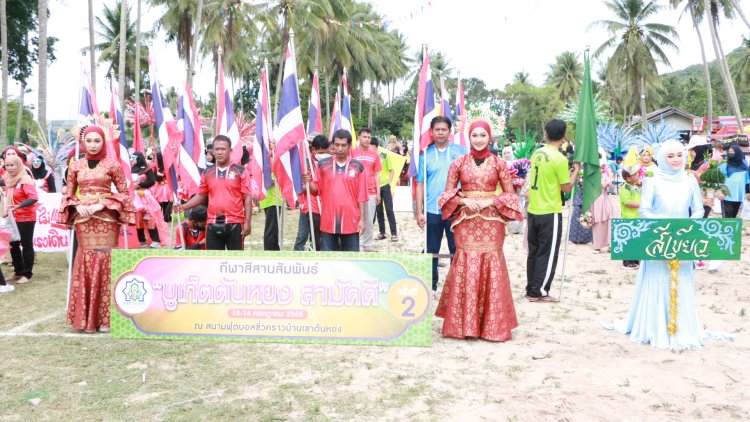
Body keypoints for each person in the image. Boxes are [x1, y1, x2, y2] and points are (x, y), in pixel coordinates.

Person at [605, 140, 707, 350]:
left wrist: (687, 226)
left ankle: (682, 329)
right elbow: (644, 210)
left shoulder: (690, 181)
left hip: (683, 239)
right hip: (656, 239)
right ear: (661, 158)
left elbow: (698, 209)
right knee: (658, 278)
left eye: (680, 155)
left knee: (681, 279)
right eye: (670, 156)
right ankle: (654, 328)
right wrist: (661, 227)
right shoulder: (652, 181)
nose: (676, 159)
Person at [434, 119, 523, 341]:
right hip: (466, 222)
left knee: (491, 261)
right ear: (469, 137)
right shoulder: (458, 163)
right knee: (466, 261)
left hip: (492, 222)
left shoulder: (499, 163)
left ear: (489, 137)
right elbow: (446, 195)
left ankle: (491, 327)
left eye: (483, 135)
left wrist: (490, 202)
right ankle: (462, 326)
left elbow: (511, 196)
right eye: (475, 135)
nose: (479, 139)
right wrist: (464, 202)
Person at [58, 125, 135, 332]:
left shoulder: (113, 165)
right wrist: (78, 205)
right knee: (86, 261)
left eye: (97, 141)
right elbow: (68, 194)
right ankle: (87, 319)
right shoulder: (75, 166)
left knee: (105, 261)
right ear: (83, 142)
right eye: (89, 141)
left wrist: (102, 204)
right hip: (84, 220)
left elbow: (124, 193)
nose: (92, 145)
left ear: (103, 142)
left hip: (106, 219)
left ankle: (106, 318)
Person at [526, 119, 580, 303]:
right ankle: (539, 291)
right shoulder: (560, 158)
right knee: (547, 253)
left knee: (534, 251)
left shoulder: (537, 153)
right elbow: (566, 188)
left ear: (546, 134)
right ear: (564, 135)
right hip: (550, 210)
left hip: (533, 209)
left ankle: (531, 287)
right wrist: (576, 171)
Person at [416, 116, 468, 294]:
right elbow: (420, 183)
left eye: (443, 129)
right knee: (431, 249)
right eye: (436, 129)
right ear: (431, 132)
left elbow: (468, 180)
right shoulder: (426, 154)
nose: (440, 132)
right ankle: (431, 285)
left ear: (449, 131)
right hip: (432, 210)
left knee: (457, 248)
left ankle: (456, 286)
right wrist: (419, 211)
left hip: (455, 210)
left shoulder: (460, 152)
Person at [175, 135, 252, 250]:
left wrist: (247, 222)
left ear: (230, 151)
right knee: (213, 261)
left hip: (235, 223)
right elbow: (201, 196)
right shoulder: (207, 173)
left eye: (223, 149)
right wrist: (183, 206)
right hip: (211, 224)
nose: (219, 152)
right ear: (213, 151)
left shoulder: (240, 171)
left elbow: (247, 198)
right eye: (217, 149)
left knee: (234, 261)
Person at [304, 129, 367, 252]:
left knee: (351, 261)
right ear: (333, 144)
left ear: (349, 146)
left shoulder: (358, 167)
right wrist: (308, 182)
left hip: (351, 221)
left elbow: (362, 196)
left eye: (343, 145)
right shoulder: (323, 165)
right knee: (328, 261)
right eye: (337, 145)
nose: (340, 148)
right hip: (328, 222)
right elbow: (315, 190)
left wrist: (362, 220)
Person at [1, 155, 38, 285]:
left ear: (18, 165)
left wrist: (19, 205)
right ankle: (18, 272)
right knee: (13, 244)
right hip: (13, 217)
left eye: (12, 165)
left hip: (26, 217)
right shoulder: (8, 178)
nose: (9, 168)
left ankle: (27, 274)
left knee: (26, 245)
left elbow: (33, 197)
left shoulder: (25, 179)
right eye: (7, 165)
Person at [294, 135, 328, 251]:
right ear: (313, 150)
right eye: (321, 152)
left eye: (325, 152)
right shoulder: (305, 163)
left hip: (324, 207)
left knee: (318, 239)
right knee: (302, 237)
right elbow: (299, 185)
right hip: (308, 206)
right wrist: (310, 187)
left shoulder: (328, 163)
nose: (323, 155)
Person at [350, 128, 381, 252]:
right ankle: (355, 244)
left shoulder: (374, 155)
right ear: (358, 137)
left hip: (370, 192)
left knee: (368, 220)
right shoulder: (352, 153)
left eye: (369, 137)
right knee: (355, 218)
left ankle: (367, 245)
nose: (367, 139)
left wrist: (378, 193)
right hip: (354, 192)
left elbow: (377, 174)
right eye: (364, 137)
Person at [130, 152, 162, 248]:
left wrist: (139, 185)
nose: (131, 160)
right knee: (137, 218)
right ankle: (141, 240)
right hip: (134, 196)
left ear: (139, 158)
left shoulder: (147, 169)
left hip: (145, 196)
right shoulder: (131, 169)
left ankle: (156, 240)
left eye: (133, 158)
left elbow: (152, 181)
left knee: (149, 218)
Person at [590, 150, 618, 253]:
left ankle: (610, 244)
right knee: (597, 222)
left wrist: (609, 181)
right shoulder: (590, 177)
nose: (600, 170)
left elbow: (612, 188)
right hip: (595, 200)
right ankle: (597, 246)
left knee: (610, 219)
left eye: (601, 168)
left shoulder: (605, 176)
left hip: (605, 200)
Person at [374, 137, 399, 242]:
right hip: (375, 187)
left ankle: (394, 233)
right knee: (379, 210)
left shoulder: (384, 155)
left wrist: (389, 182)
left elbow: (392, 170)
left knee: (389, 210)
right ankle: (382, 232)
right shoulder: (369, 157)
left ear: (375, 146)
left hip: (385, 186)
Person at [717, 145, 750, 219]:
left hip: (738, 195)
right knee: (727, 218)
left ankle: (730, 230)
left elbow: (747, 181)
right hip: (726, 195)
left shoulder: (744, 167)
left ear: (738, 153)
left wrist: (748, 192)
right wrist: (719, 191)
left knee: (733, 217)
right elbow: (717, 179)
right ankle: (726, 229)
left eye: (732, 151)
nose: (730, 153)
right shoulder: (724, 166)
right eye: (729, 151)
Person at [619, 165, 641, 269]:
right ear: (628, 178)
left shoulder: (635, 186)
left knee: (636, 240)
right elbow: (627, 203)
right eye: (635, 174)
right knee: (628, 240)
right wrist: (642, 205)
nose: (638, 175)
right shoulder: (625, 188)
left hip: (637, 217)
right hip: (629, 218)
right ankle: (627, 262)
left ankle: (635, 260)